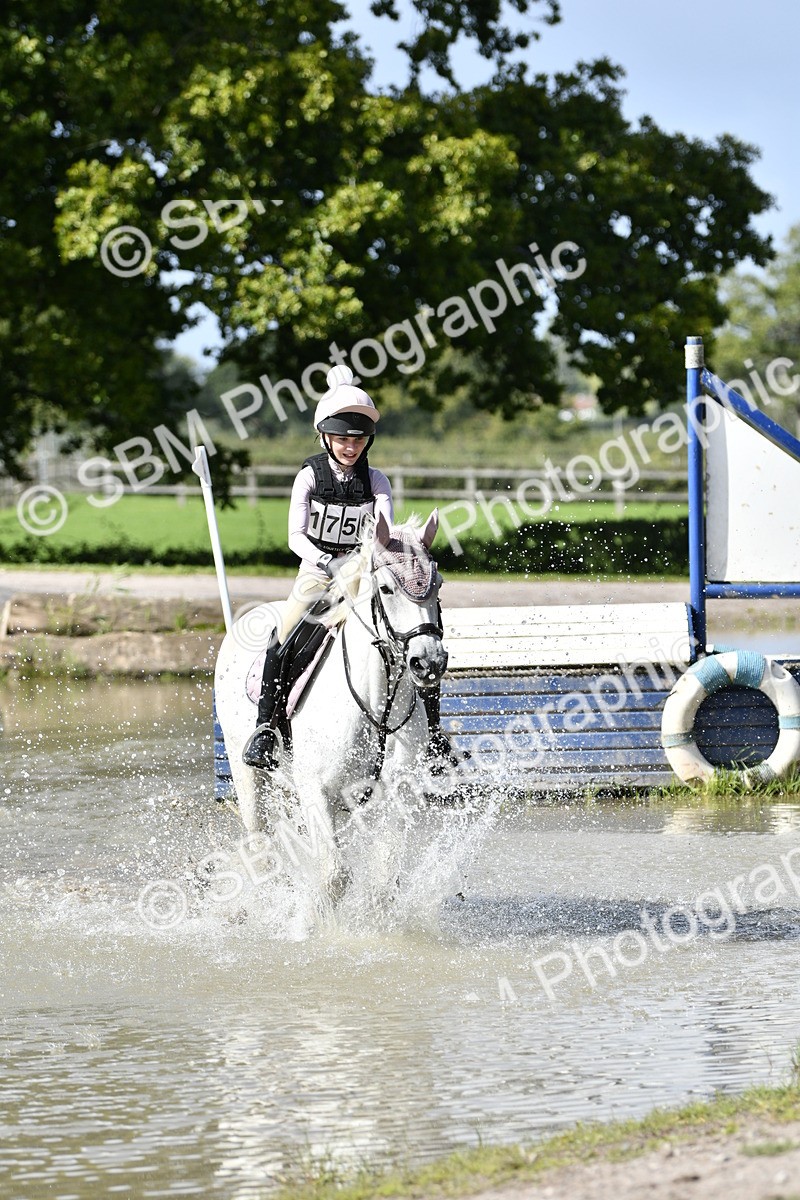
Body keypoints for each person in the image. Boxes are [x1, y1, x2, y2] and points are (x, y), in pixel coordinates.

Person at [242, 364, 456, 771]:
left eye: (357, 439)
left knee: (417, 637)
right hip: (318, 571)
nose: (349, 446)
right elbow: (295, 536)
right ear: (324, 436)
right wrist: (328, 562)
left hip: (363, 571)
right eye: (341, 438)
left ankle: (431, 733)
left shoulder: (377, 481)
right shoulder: (308, 477)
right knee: (282, 633)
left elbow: (386, 532)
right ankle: (266, 728)